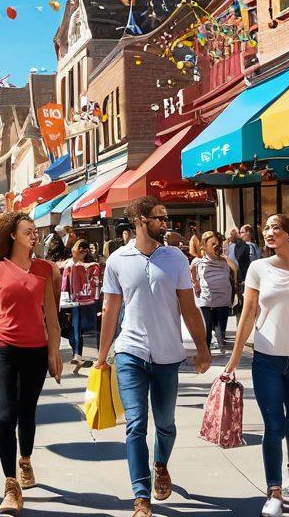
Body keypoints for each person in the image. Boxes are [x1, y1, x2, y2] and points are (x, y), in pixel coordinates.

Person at [96, 196, 211, 517]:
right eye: (160, 218)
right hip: (130, 351)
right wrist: (102, 356)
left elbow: (188, 307)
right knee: (135, 424)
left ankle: (160, 465)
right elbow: (110, 310)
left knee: (166, 425)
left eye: (165, 217)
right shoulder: (118, 260)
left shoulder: (175, 258)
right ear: (141, 221)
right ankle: (141, 497)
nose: (166, 223)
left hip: (167, 354)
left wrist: (202, 348)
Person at [224, 215, 289, 515]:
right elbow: (248, 314)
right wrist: (232, 361)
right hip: (266, 357)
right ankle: (274, 492)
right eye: (266, 228)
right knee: (273, 426)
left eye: (275, 228)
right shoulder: (257, 268)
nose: (268, 233)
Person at [0, 212, 62, 516]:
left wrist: (54, 353)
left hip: (35, 351)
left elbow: (52, 317)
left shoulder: (45, 269)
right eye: (27, 231)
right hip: (1, 350)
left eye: (34, 232)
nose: (33, 236)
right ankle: (10, 485)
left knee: (26, 413)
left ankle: (25, 460)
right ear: (12, 235)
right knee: (6, 415)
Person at [190, 231, 236, 356]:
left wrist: (225, 258)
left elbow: (235, 269)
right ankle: (206, 351)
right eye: (213, 243)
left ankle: (220, 341)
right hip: (207, 298)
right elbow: (192, 272)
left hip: (223, 297)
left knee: (221, 326)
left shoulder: (224, 260)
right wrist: (196, 283)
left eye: (218, 243)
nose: (216, 246)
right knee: (207, 326)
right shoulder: (198, 261)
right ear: (205, 245)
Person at [61, 238, 102, 375]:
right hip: (72, 302)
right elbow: (64, 284)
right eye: (80, 249)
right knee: (73, 330)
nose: (82, 252)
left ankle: (80, 357)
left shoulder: (92, 265)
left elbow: (96, 283)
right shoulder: (68, 264)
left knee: (84, 330)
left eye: (84, 249)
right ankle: (77, 356)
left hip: (86, 302)